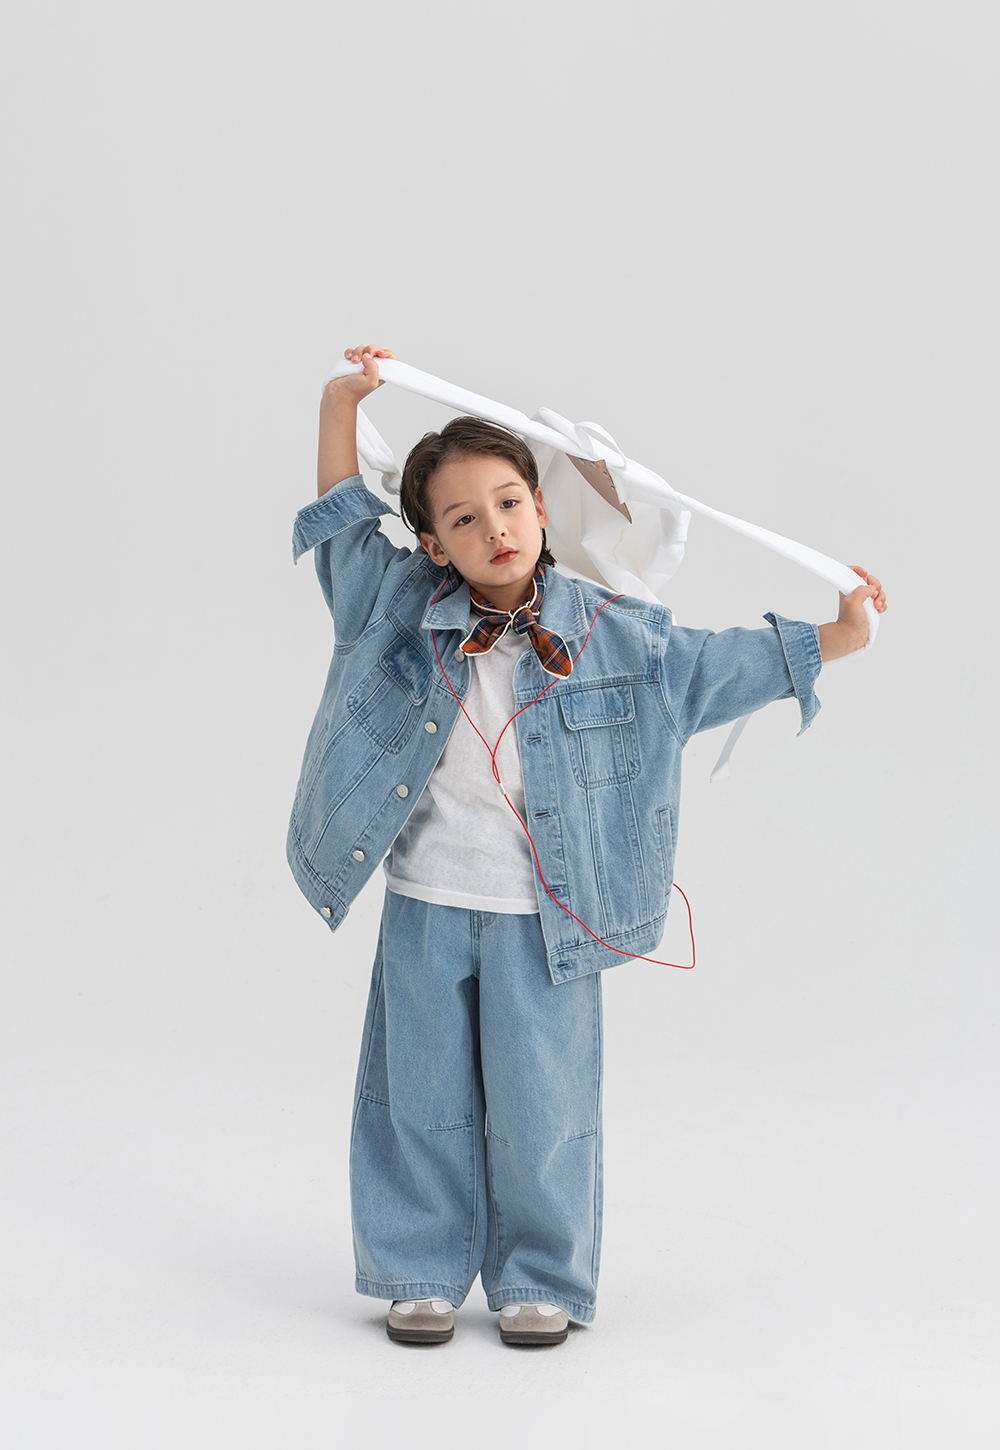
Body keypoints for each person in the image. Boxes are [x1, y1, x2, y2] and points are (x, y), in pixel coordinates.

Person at [287, 344, 888, 1348]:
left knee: (544, 1102)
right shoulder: (395, 608)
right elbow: (344, 529)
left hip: (547, 921)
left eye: (508, 503)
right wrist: (339, 404)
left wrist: (833, 638)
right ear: (431, 543)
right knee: (416, 1095)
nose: (493, 528)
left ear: (541, 507)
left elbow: (710, 667)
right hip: (426, 903)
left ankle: (540, 1275)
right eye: (462, 518)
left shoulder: (612, 630)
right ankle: (418, 1267)